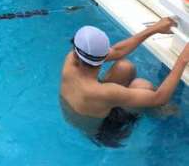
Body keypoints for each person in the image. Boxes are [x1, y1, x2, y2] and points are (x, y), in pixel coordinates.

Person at [60, 18, 189, 147]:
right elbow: (159, 98)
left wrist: (154, 29)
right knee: (143, 85)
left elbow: (117, 52)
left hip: (86, 113)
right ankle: (161, 113)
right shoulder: (105, 92)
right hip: (101, 132)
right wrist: (183, 58)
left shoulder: (70, 60)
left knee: (124, 67)